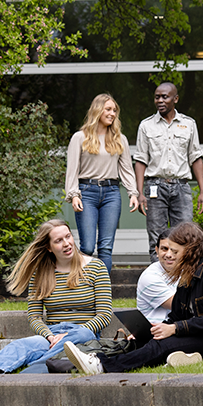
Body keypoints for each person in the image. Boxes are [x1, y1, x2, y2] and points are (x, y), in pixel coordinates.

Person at [66, 222, 203, 374]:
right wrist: (160, 328)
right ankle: (93, 360)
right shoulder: (187, 274)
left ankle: (102, 365)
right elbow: (177, 313)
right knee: (148, 340)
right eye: (167, 249)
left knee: (163, 344)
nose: (169, 255)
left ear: (190, 251)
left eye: (175, 250)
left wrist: (173, 329)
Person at [0, 219, 113, 374]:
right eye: (59, 241)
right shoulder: (40, 273)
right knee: (24, 344)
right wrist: (49, 336)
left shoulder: (96, 267)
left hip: (84, 334)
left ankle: (35, 365)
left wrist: (68, 335)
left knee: (82, 334)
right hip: (52, 335)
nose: (67, 243)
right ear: (48, 247)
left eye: (68, 236)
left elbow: (104, 314)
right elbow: (34, 317)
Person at [65, 93, 142, 276]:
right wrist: (74, 194)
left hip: (111, 193)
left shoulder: (119, 139)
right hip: (87, 193)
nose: (112, 113)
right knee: (88, 247)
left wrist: (133, 193)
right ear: (97, 110)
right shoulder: (79, 137)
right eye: (108, 109)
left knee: (106, 248)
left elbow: (126, 169)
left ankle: (102, 291)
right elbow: (72, 170)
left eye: (114, 110)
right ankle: (84, 288)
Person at [134, 82, 203, 260]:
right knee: (156, 238)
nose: (160, 100)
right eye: (157, 97)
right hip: (154, 188)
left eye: (165, 97)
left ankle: (183, 282)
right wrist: (139, 192)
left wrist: (202, 192)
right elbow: (140, 160)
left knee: (186, 237)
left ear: (175, 99)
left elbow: (195, 157)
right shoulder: (146, 126)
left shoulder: (189, 124)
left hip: (181, 188)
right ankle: (157, 283)